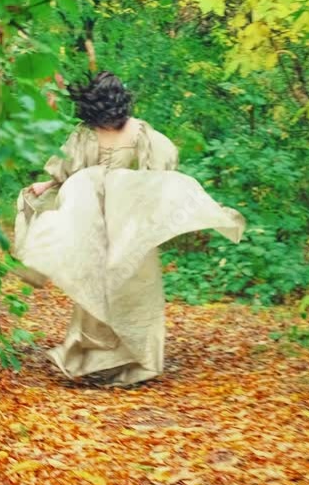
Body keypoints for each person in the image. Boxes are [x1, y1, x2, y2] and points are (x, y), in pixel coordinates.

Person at [13, 71, 246, 386]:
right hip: (93, 220)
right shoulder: (86, 133)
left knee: (135, 285)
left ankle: (139, 360)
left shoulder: (139, 132)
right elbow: (68, 172)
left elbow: (162, 167)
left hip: (128, 223)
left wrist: (142, 194)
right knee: (95, 283)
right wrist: (45, 185)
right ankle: (91, 358)